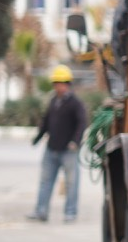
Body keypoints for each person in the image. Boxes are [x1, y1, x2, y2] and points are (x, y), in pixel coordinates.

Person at [26, 65, 88, 224]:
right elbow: (46, 122)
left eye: (61, 83)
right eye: (56, 83)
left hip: (69, 150)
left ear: (67, 84)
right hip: (52, 148)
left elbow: (82, 123)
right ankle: (41, 211)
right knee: (45, 181)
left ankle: (70, 212)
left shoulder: (75, 103)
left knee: (71, 183)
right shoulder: (54, 101)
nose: (58, 87)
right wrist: (37, 138)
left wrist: (75, 142)